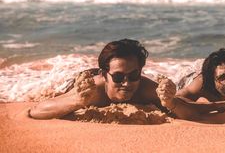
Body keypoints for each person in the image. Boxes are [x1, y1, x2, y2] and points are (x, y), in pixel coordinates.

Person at [29, 39, 166, 119]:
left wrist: (171, 102)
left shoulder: (146, 88)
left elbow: (186, 111)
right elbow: (36, 111)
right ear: (104, 75)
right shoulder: (92, 90)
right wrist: (77, 101)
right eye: (118, 77)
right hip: (85, 77)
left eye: (133, 75)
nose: (127, 82)